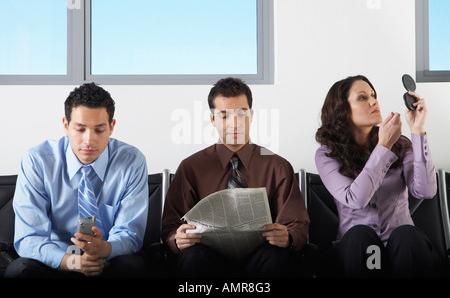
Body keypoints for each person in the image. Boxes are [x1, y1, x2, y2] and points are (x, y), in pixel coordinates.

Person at [161, 77, 310, 277]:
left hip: (262, 257)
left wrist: (288, 237)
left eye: (242, 114)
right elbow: (171, 226)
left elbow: (297, 224)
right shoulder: (191, 167)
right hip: (208, 257)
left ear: (252, 115)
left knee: (276, 257)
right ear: (212, 120)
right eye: (224, 116)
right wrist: (177, 239)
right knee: (192, 257)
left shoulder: (278, 166)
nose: (234, 123)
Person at [6, 83, 149, 278]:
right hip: (56, 261)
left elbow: (130, 234)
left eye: (99, 130)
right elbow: (30, 238)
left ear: (111, 127)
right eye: (80, 129)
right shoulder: (38, 161)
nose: (89, 140)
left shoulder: (132, 161)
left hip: (107, 260)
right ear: (66, 125)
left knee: (132, 267)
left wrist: (103, 249)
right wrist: (73, 262)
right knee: (19, 271)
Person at [315, 75, 440, 277]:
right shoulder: (327, 155)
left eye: (373, 95)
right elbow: (355, 199)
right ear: (342, 111)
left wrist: (418, 130)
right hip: (358, 250)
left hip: (402, 247)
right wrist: (383, 147)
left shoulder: (400, 144)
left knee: (406, 235)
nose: (374, 101)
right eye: (363, 97)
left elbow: (426, 191)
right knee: (360, 235)